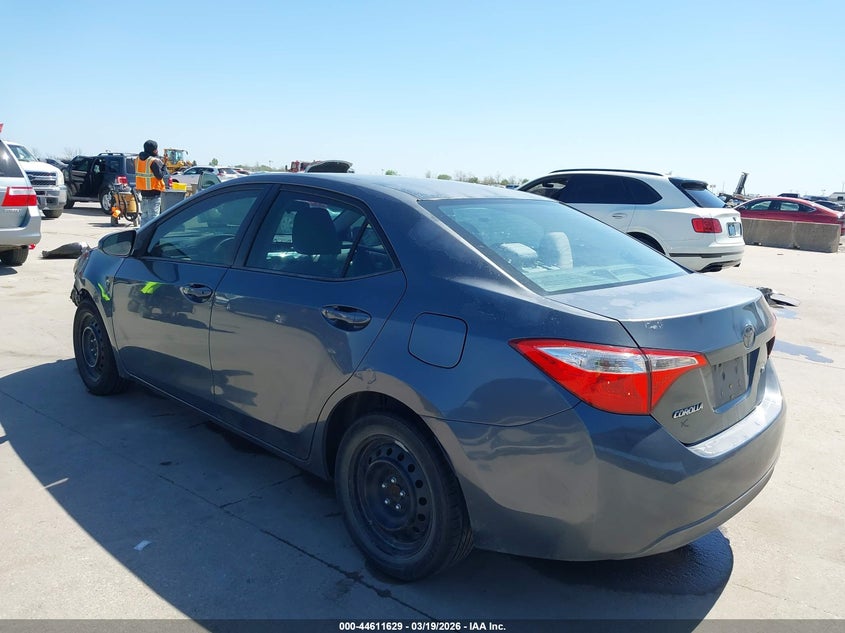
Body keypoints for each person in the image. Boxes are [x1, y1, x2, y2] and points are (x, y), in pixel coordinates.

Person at [135, 139, 166, 225]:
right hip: (154, 194)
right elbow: (160, 176)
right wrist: (164, 166)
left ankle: (142, 235)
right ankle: (151, 237)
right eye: (156, 149)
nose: (157, 151)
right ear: (153, 150)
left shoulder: (138, 159)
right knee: (153, 218)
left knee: (144, 217)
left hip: (143, 194)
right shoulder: (152, 161)